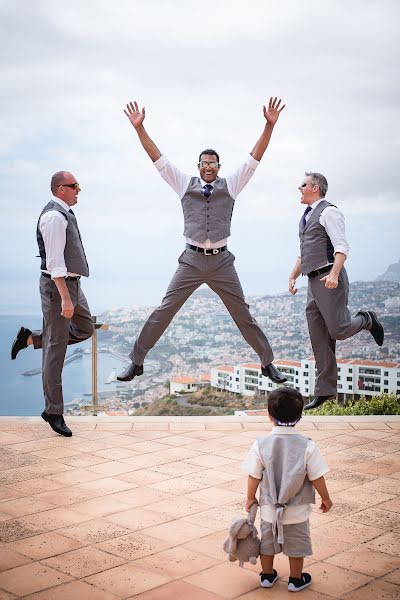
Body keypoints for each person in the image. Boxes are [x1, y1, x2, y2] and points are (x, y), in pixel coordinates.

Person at [117, 98, 287, 385]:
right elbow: (157, 158)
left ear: (219, 167)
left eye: (213, 164)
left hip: (222, 261)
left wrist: (268, 126)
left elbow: (254, 159)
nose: (209, 168)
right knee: (164, 311)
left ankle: (267, 362)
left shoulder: (231, 185)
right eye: (204, 163)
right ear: (198, 166)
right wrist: (140, 128)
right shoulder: (184, 184)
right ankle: (137, 361)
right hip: (192, 260)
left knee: (242, 314)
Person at [288, 172, 384, 410]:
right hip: (312, 281)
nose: (299, 188)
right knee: (319, 338)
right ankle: (325, 391)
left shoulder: (329, 212)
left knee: (339, 329)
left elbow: (341, 246)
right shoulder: (306, 216)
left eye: (303, 184)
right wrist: (293, 275)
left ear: (316, 187)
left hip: (329, 278)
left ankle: (367, 319)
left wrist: (333, 274)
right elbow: (304, 252)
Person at [11, 171, 94, 437]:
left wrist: (72, 292)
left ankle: (32, 339)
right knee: (55, 352)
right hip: (58, 288)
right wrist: (66, 299)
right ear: (60, 189)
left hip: (72, 284)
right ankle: (53, 411)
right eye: (75, 186)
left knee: (85, 328)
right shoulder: (54, 218)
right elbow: (54, 263)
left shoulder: (64, 213)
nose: (79, 190)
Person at [242, 387, 332, 592]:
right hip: (297, 511)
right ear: (300, 416)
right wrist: (325, 498)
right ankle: (295, 580)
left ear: (269, 416)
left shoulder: (261, 444)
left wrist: (250, 497)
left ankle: (266, 576)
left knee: (267, 544)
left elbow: (253, 475)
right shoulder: (307, 445)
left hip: (269, 510)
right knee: (296, 547)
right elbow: (317, 476)